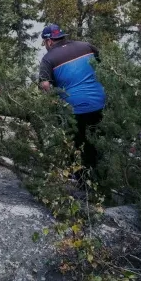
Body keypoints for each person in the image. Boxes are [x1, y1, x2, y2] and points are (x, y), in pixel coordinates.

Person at [38, 24, 106, 173]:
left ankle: (82, 185)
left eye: (44, 43)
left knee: (77, 148)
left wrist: (53, 106)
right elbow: (105, 66)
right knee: (98, 144)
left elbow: (45, 86)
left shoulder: (48, 59)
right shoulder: (86, 46)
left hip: (74, 110)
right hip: (100, 103)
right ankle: (103, 179)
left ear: (49, 41)